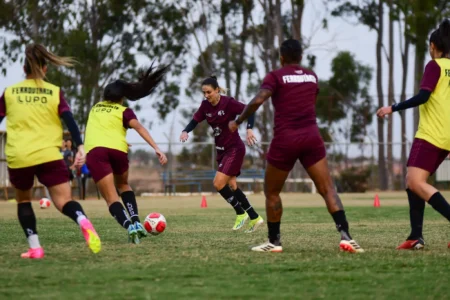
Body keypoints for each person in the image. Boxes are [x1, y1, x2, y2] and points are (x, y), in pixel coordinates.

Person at [229, 39, 364, 253]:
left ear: (281, 57)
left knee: (271, 191)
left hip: (286, 139)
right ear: (301, 57)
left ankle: (274, 242)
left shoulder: (275, 76)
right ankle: (346, 236)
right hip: (312, 137)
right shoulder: (312, 76)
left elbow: (257, 100)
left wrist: (237, 122)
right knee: (327, 188)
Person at [0, 44, 101, 259]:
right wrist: (80, 146)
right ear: (45, 69)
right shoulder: (54, 92)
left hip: (21, 155)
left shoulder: (9, 93)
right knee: (64, 201)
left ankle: (35, 247)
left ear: (23, 68)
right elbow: (69, 120)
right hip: (49, 155)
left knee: (24, 201)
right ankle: (82, 220)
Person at [377, 19, 450, 250]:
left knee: (415, 182)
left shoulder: (435, 66)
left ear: (432, 46)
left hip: (431, 134)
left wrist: (393, 107)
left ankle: (418, 235)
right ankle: (415, 236)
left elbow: (423, 96)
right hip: (446, 136)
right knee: (413, 182)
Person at [84, 64, 169, 244]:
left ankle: (129, 226)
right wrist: (156, 148)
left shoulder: (94, 108)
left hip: (96, 152)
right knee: (123, 185)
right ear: (122, 97)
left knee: (111, 198)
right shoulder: (124, 111)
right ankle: (137, 222)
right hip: (118, 150)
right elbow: (138, 127)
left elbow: (98, 130)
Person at [180, 76, 264, 232]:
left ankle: (240, 213)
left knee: (218, 183)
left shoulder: (229, 103)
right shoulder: (205, 106)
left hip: (234, 149)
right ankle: (254, 217)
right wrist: (186, 130)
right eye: (204, 93)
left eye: (209, 92)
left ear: (217, 90)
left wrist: (249, 128)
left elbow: (250, 110)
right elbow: (195, 120)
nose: (206, 96)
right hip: (221, 150)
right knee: (232, 185)